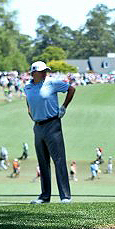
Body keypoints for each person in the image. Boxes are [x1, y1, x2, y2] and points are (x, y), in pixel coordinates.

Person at [24, 61, 76, 204]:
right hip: (38, 126)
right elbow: (29, 104)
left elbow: (71, 89)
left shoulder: (52, 83)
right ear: (34, 73)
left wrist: (64, 107)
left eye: (46, 70)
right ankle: (45, 196)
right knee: (43, 162)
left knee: (59, 160)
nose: (45, 73)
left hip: (53, 124)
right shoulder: (27, 87)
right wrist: (32, 114)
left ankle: (65, 196)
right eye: (42, 71)